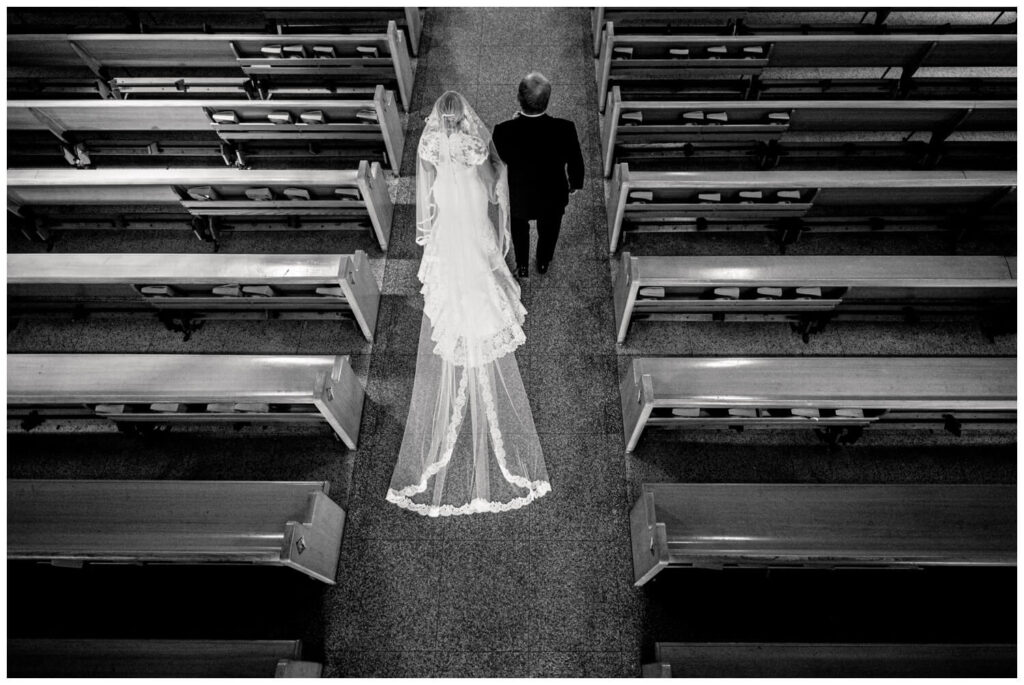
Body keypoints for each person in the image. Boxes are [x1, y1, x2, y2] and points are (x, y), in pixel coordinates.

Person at [387, 91, 550, 517]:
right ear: (461, 117)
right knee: (480, 243)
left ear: (439, 118)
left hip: (446, 195)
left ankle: (464, 297)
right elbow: (487, 166)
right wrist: (495, 170)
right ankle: (489, 287)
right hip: (470, 198)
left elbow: (427, 169)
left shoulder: (430, 141)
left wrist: (444, 167)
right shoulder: (470, 141)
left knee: (454, 241)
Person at [492, 72, 585, 277]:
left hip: (520, 194)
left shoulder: (503, 131)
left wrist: (514, 124)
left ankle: (522, 264)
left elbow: (501, 158)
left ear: (518, 98)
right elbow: (576, 160)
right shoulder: (565, 129)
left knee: (519, 228)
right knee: (550, 229)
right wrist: (575, 183)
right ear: (548, 101)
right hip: (552, 194)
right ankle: (543, 261)